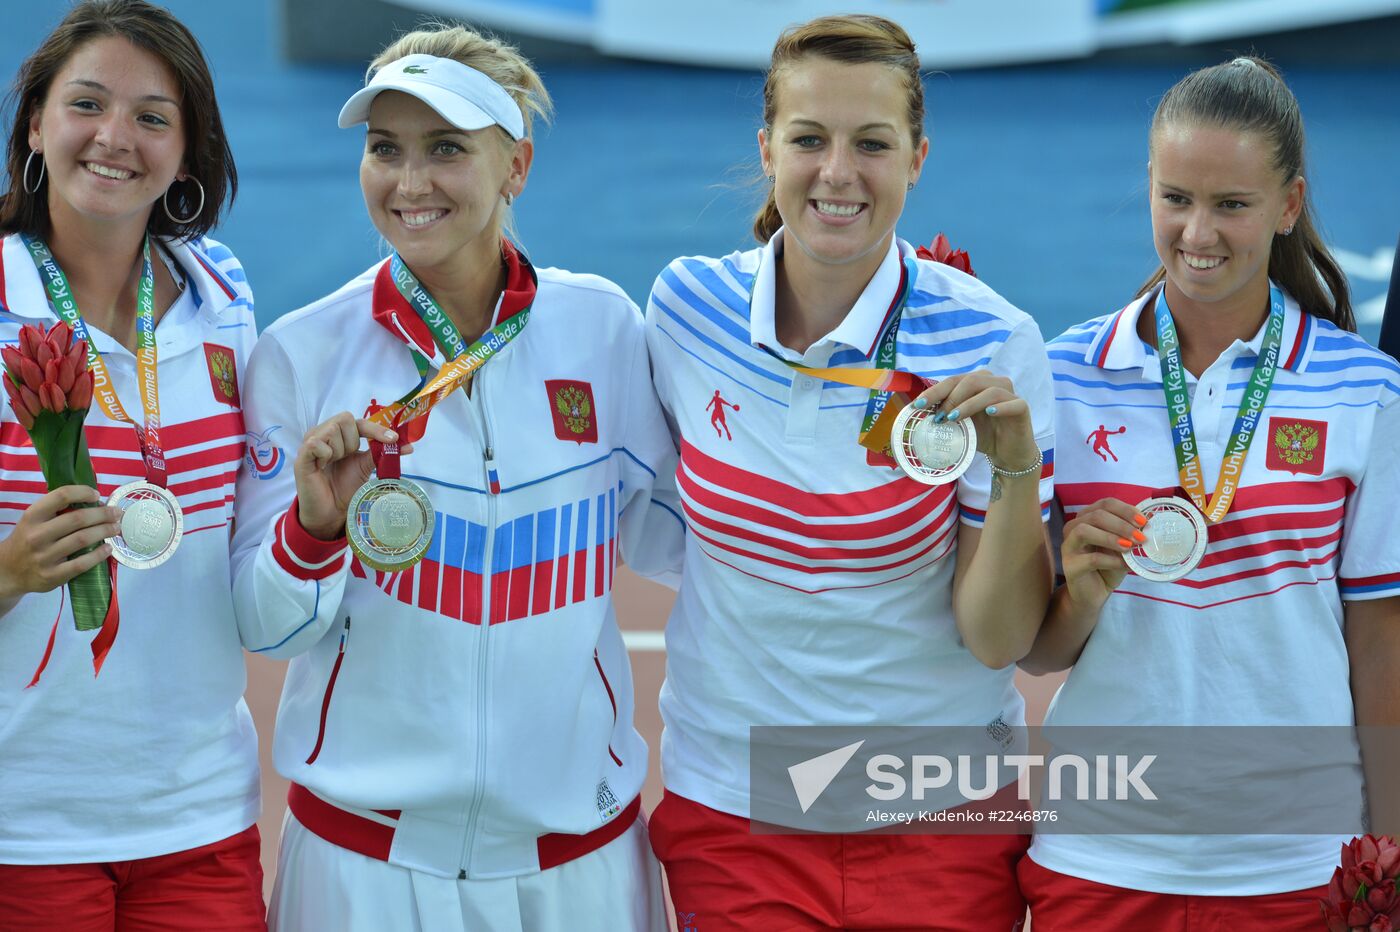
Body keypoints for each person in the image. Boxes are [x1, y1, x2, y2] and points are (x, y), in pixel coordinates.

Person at [230, 24, 678, 932]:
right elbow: (264, 630)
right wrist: (314, 533)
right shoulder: (302, 352)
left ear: (516, 166)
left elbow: (674, 544)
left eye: (446, 150)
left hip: (578, 864)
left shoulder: (602, 332)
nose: (409, 182)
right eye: (384, 150)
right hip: (364, 864)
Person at [642, 14, 1055, 930]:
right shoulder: (685, 310)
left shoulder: (992, 342)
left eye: (872, 143)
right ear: (766, 149)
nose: (837, 172)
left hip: (940, 819)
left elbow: (1000, 640)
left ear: (917, 157)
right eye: (808, 140)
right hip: (735, 810)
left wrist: (1017, 468)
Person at [1020, 56, 1400, 930]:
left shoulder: (1364, 391)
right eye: (1177, 197)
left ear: (1289, 206)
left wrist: (1388, 853)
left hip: (1300, 862)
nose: (1199, 231)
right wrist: (1078, 589)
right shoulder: (1063, 377)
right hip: (1100, 854)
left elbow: (1380, 643)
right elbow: (1037, 653)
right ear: (1149, 187)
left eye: (1232, 204)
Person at [0, 2, 263, 929]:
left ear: (188, 153)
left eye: (153, 116)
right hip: (22, 830)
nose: (115, 138)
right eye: (86, 105)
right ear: (34, 123)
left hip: (199, 819)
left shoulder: (224, 300)